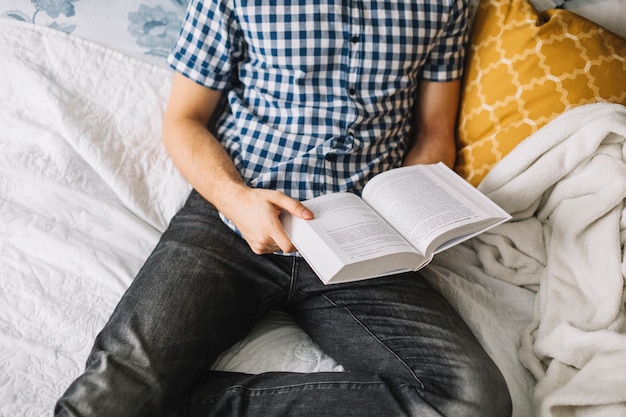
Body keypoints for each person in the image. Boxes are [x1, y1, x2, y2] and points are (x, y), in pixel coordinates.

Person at [55, 0, 512, 416]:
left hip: (363, 240)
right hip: (232, 217)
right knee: (115, 388)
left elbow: (434, 130)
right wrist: (236, 199)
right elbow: (183, 120)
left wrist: (411, 210)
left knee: (474, 400)